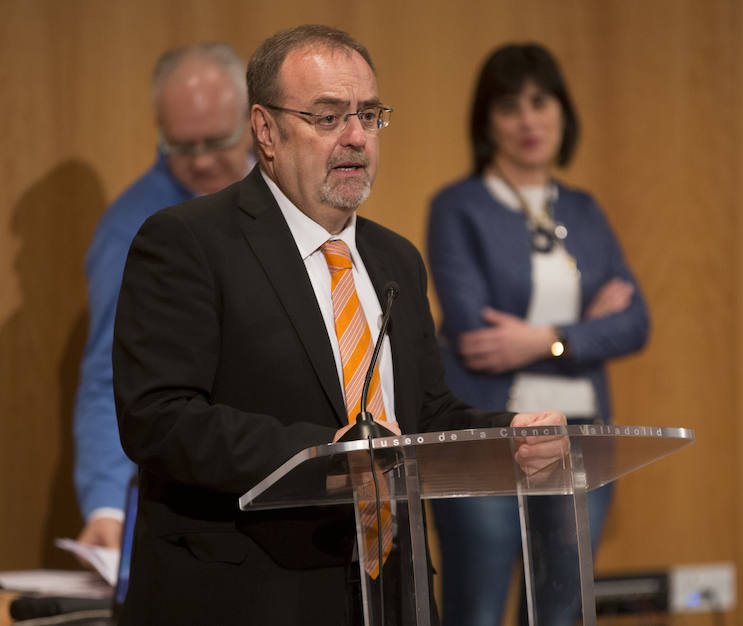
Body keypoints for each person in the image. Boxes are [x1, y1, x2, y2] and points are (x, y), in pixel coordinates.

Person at [112, 25, 567, 626]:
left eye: (369, 115)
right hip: (249, 595)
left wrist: (509, 433)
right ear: (266, 130)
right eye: (327, 118)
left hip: (389, 594)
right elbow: (159, 420)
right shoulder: (188, 243)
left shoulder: (395, 258)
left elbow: (424, 416)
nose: (356, 137)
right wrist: (330, 457)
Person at [427, 43, 650, 625]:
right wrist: (586, 325)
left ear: (562, 112)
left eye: (539, 101)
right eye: (508, 107)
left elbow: (634, 322)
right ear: (487, 123)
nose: (528, 120)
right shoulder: (459, 207)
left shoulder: (585, 209)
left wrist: (546, 339)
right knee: (474, 611)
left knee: (560, 613)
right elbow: (478, 335)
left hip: (582, 443)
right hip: (491, 440)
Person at [72, 43, 254, 550]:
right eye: (180, 145)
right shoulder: (131, 229)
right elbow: (111, 374)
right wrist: (106, 504)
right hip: (193, 498)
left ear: (251, 120)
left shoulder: (293, 196)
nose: (199, 162)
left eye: (217, 141)